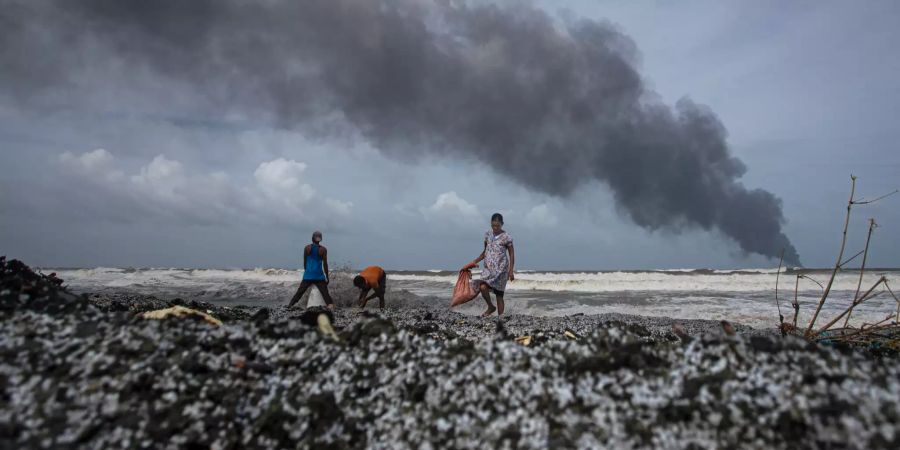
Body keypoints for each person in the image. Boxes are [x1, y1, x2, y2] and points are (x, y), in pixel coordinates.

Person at [468, 213, 515, 317]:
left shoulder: (507, 237)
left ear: (502, 224)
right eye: (493, 225)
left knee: (499, 295)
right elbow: (485, 251)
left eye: (497, 226)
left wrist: (511, 271)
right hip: (488, 269)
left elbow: (511, 254)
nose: (495, 228)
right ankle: (490, 307)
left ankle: (500, 318)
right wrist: (475, 261)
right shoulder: (487, 234)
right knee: (482, 286)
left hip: (501, 270)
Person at [288, 230, 335, 310]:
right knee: (325, 294)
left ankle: (290, 305)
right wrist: (327, 276)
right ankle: (331, 307)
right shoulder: (323, 249)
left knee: (299, 293)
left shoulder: (307, 248)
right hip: (319, 276)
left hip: (308, 275)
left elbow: (305, 262)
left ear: (312, 238)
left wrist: (307, 272)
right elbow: (325, 264)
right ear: (321, 239)